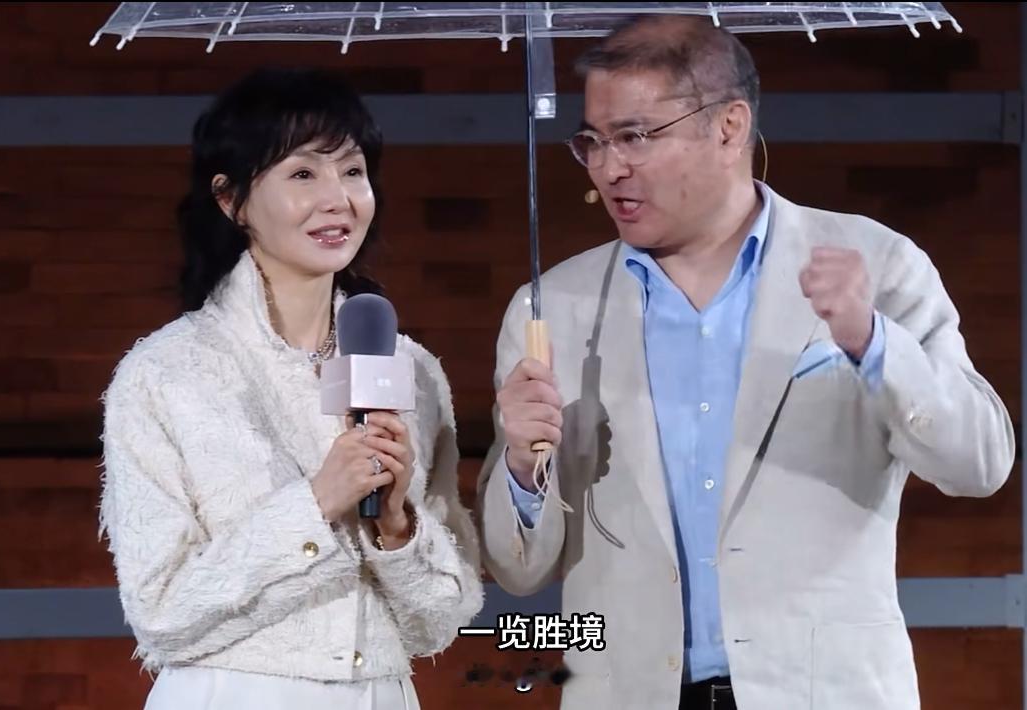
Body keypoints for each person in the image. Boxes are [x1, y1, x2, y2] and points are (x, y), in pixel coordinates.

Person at [476, 14, 1014, 710]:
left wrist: (873, 342)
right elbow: (518, 570)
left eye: (635, 136)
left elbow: (980, 463)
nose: (609, 169)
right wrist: (522, 468)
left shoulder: (875, 264)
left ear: (730, 128)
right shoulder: (552, 309)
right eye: (593, 142)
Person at [99, 67, 483, 710]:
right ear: (231, 200)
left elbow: (440, 621)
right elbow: (160, 612)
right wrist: (316, 503)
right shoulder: (167, 372)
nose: (338, 199)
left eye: (353, 171)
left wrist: (396, 527)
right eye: (303, 173)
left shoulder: (410, 369)